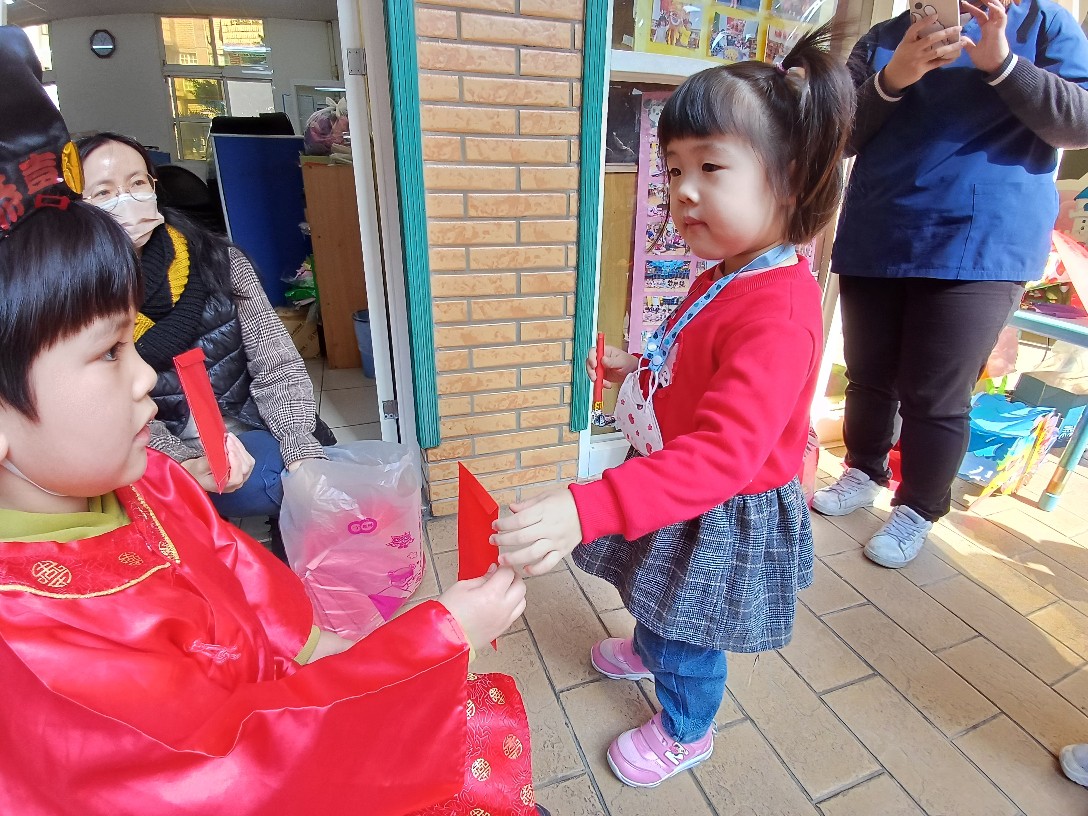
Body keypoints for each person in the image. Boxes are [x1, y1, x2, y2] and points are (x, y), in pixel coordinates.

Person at [0, 26, 550, 816]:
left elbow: (283, 622)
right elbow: (236, 774)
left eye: (139, 182)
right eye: (109, 353)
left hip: (244, 461)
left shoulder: (154, 467)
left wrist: (298, 452)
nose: (142, 371)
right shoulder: (35, 646)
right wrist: (431, 638)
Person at [494, 26, 855, 788]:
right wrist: (635, 365)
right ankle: (649, 644)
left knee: (688, 627)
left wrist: (585, 508)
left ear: (791, 180)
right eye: (675, 168)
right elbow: (696, 354)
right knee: (655, 591)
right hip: (675, 478)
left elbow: (723, 456)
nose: (683, 190)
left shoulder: (781, 310)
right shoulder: (729, 270)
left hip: (718, 504)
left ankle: (687, 726)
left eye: (711, 167)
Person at [813, 1, 1088, 568]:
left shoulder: (1043, 23)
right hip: (881, 227)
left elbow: (1079, 122)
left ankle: (918, 508)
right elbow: (836, 135)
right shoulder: (886, 36)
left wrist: (1004, 66)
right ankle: (864, 470)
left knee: (935, 393)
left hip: (983, 239)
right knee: (868, 374)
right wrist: (893, 79)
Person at [75, 130, 333, 556]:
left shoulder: (219, 261)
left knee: (297, 473)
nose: (126, 200)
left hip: (248, 425)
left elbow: (278, 364)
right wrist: (183, 465)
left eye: (137, 183)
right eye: (103, 192)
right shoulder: (74, 302)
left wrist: (297, 443)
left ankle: (284, 547)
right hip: (156, 455)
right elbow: (112, 415)